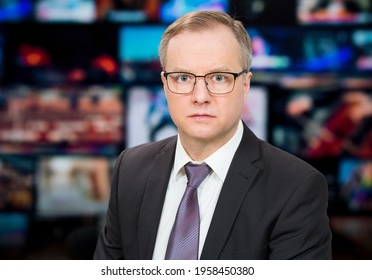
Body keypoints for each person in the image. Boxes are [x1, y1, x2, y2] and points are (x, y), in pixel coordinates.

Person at [94, 10, 332, 260]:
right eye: (183, 78)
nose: (200, 96)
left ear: (245, 85)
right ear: (166, 85)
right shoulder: (130, 169)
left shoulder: (296, 187)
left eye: (219, 78)